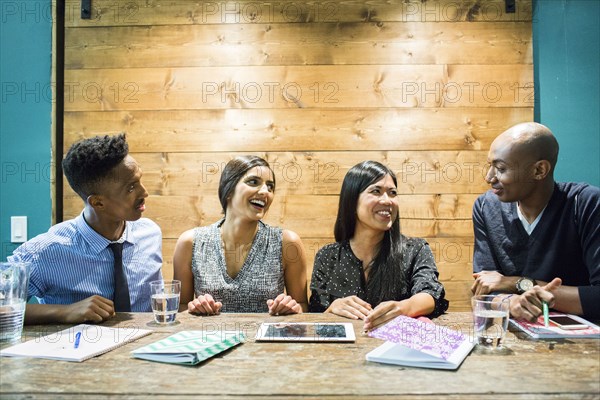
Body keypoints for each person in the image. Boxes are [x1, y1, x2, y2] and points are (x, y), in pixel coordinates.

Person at [9, 134, 163, 324]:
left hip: (148, 350)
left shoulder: (150, 234)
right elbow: (3, 305)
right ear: (98, 202)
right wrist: (64, 312)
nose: (144, 192)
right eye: (131, 188)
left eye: (140, 180)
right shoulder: (44, 251)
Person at [471, 122, 600, 321]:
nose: (490, 177)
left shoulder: (585, 204)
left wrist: (517, 283)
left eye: (501, 168)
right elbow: (484, 288)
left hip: (580, 341)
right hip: (517, 337)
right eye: (490, 166)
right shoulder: (485, 207)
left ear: (539, 170)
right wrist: (511, 303)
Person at [309, 161, 449, 330]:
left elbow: (430, 295)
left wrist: (403, 308)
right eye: (376, 191)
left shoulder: (415, 249)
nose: (387, 201)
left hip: (396, 349)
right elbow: (315, 317)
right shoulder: (327, 256)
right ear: (352, 200)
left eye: (392, 193)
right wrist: (332, 309)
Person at [173, 155, 308, 315]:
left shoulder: (287, 243)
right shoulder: (190, 242)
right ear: (228, 190)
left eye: (270, 186)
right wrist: (192, 310)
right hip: (211, 338)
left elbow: (303, 306)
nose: (265, 191)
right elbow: (180, 307)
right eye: (253, 182)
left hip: (267, 339)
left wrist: (293, 307)